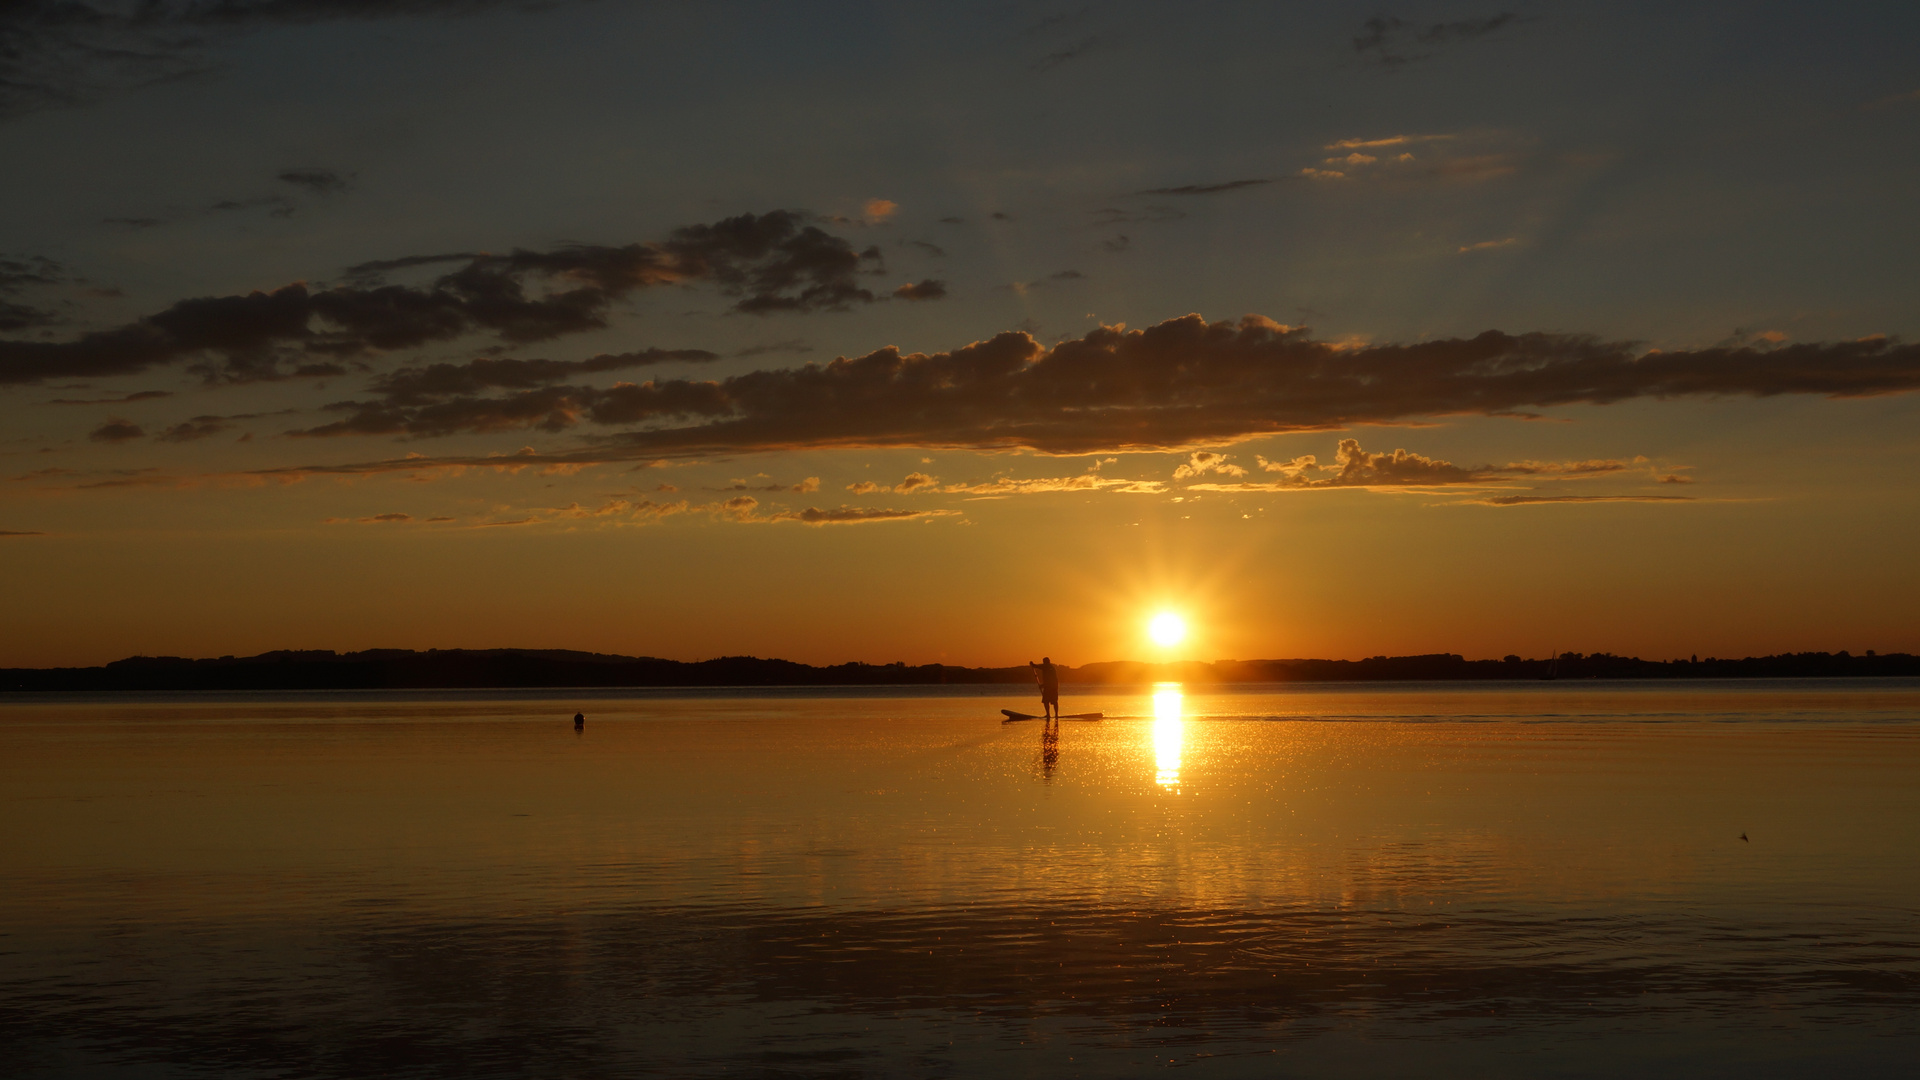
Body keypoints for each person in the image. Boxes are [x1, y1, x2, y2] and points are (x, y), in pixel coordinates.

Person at [1029, 656, 1060, 720]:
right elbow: (1039, 666)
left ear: (1047, 662)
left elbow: (1050, 680)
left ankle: (1055, 715)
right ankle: (1049, 714)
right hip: (1050, 687)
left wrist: (1033, 664)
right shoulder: (1047, 667)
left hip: (1052, 687)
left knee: (1052, 701)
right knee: (1047, 701)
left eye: (1045, 662)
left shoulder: (1049, 668)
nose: (1044, 663)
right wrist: (1033, 665)